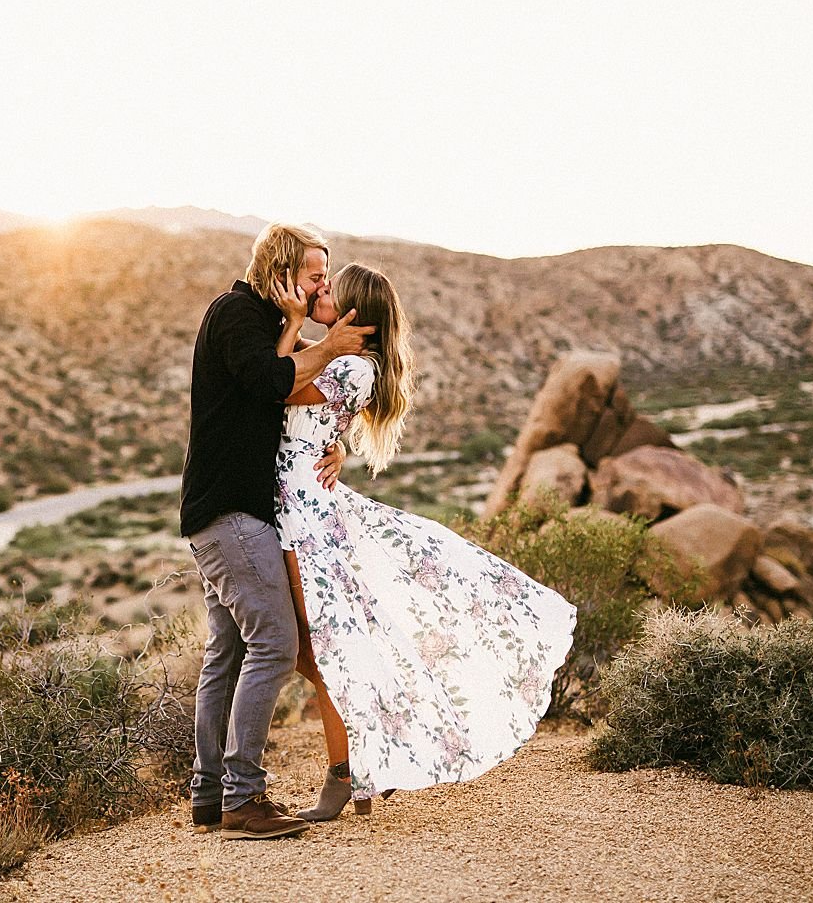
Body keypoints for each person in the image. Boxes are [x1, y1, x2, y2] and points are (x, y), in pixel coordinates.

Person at [267, 262, 577, 821]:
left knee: (318, 651)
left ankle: (345, 776)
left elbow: (278, 383)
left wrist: (290, 323)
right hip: (300, 506)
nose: (321, 292)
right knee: (313, 653)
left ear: (356, 313)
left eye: (332, 290)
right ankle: (366, 764)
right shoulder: (342, 357)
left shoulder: (356, 368)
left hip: (307, 518)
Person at [180, 222, 374, 840]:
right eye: (316, 274)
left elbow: (286, 401)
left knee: (228, 653)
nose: (323, 284)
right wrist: (334, 345)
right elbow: (273, 382)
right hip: (234, 514)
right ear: (284, 271)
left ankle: (210, 796)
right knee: (272, 643)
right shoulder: (238, 314)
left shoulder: (262, 323)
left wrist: (335, 442)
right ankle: (242, 798)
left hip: (226, 512)